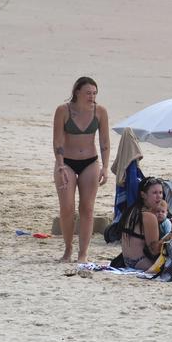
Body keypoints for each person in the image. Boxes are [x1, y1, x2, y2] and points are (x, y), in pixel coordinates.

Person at [53, 77, 111, 263]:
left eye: (94, 93)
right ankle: (68, 248)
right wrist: (60, 165)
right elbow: (58, 141)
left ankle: (83, 253)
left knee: (87, 208)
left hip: (90, 162)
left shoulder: (100, 112)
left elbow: (104, 141)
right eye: (88, 93)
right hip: (66, 162)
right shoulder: (63, 111)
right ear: (77, 92)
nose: (91, 96)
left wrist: (106, 166)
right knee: (67, 208)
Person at [120, 177, 172, 270]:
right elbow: (154, 250)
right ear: (143, 195)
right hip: (142, 263)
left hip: (126, 261)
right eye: (154, 193)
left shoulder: (133, 210)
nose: (159, 196)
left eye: (160, 193)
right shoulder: (149, 216)